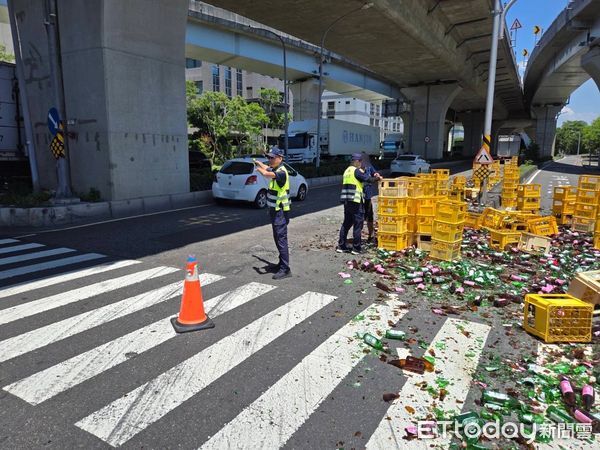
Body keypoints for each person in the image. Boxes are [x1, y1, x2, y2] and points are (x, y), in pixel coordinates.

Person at [254, 148, 291, 280]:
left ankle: (285, 269)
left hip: (280, 212)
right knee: (277, 238)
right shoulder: (275, 168)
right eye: (269, 157)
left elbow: (266, 173)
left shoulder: (281, 172)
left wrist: (260, 170)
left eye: (272, 158)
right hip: (274, 211)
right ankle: (281, 264)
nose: (270, 160)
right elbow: (267, 168)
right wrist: (259, 163)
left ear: (280, 158)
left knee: (281, 240)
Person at [337, 153, 380, 255]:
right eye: (360, 161)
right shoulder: (356, 171)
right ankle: (356, 248)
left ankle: (341, 246)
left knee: (346, 224)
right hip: (355, 202)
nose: (361, 163)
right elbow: (368, 179)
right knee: (358, 224)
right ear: (356, 161)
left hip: (346, 201)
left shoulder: (346, 171)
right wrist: (378, 178)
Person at [361, 152, 383, 243]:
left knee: (370, 216)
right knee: (360, 216)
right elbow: (368, 179)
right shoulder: (357, 169)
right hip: (360, 196)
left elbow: (374, 173)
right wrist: (377, 178)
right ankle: (357, 236)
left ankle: (371, 235)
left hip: (368, 195)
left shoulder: (369, 166)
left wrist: (376, 174)